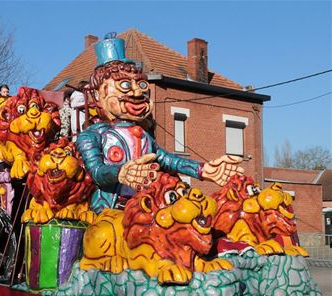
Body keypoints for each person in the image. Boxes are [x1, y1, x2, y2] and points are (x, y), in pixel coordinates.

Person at [76, 34, 244, 213]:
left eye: (140, 85)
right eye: (124, 85)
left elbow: (168, 159)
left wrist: (203, 170)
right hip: (109, 212)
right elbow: (96, 171)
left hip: (145, 208)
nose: (136, 92)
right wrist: (120, 173)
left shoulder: (144, 136)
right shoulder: (92, 135)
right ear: (97, 95)